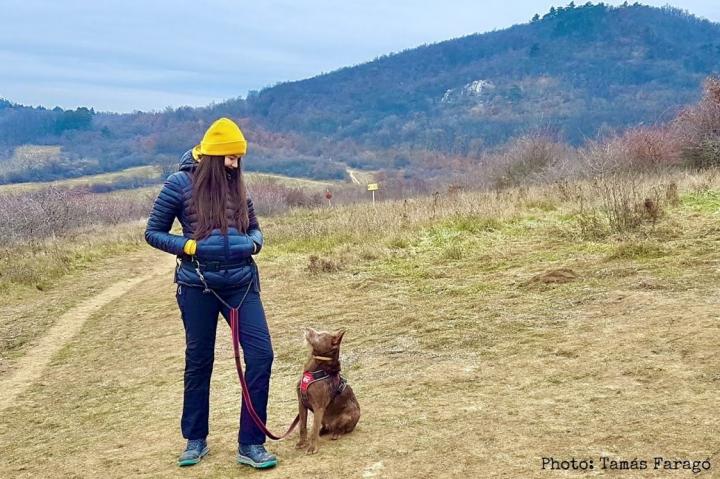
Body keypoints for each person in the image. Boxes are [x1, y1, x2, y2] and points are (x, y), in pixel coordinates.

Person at [145, 117, 277, 469]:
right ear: (214, 158)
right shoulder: (178, 185)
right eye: (230, 159)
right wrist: (188, 246)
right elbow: (153, 232)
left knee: (262, 356)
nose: (235, 165)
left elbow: (256, 229)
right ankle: (195, 439)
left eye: (238, 158)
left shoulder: (238, 185)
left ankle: (251, 444)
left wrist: (253, 243)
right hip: (197, 286)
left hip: (242, 284)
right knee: (199, 361)